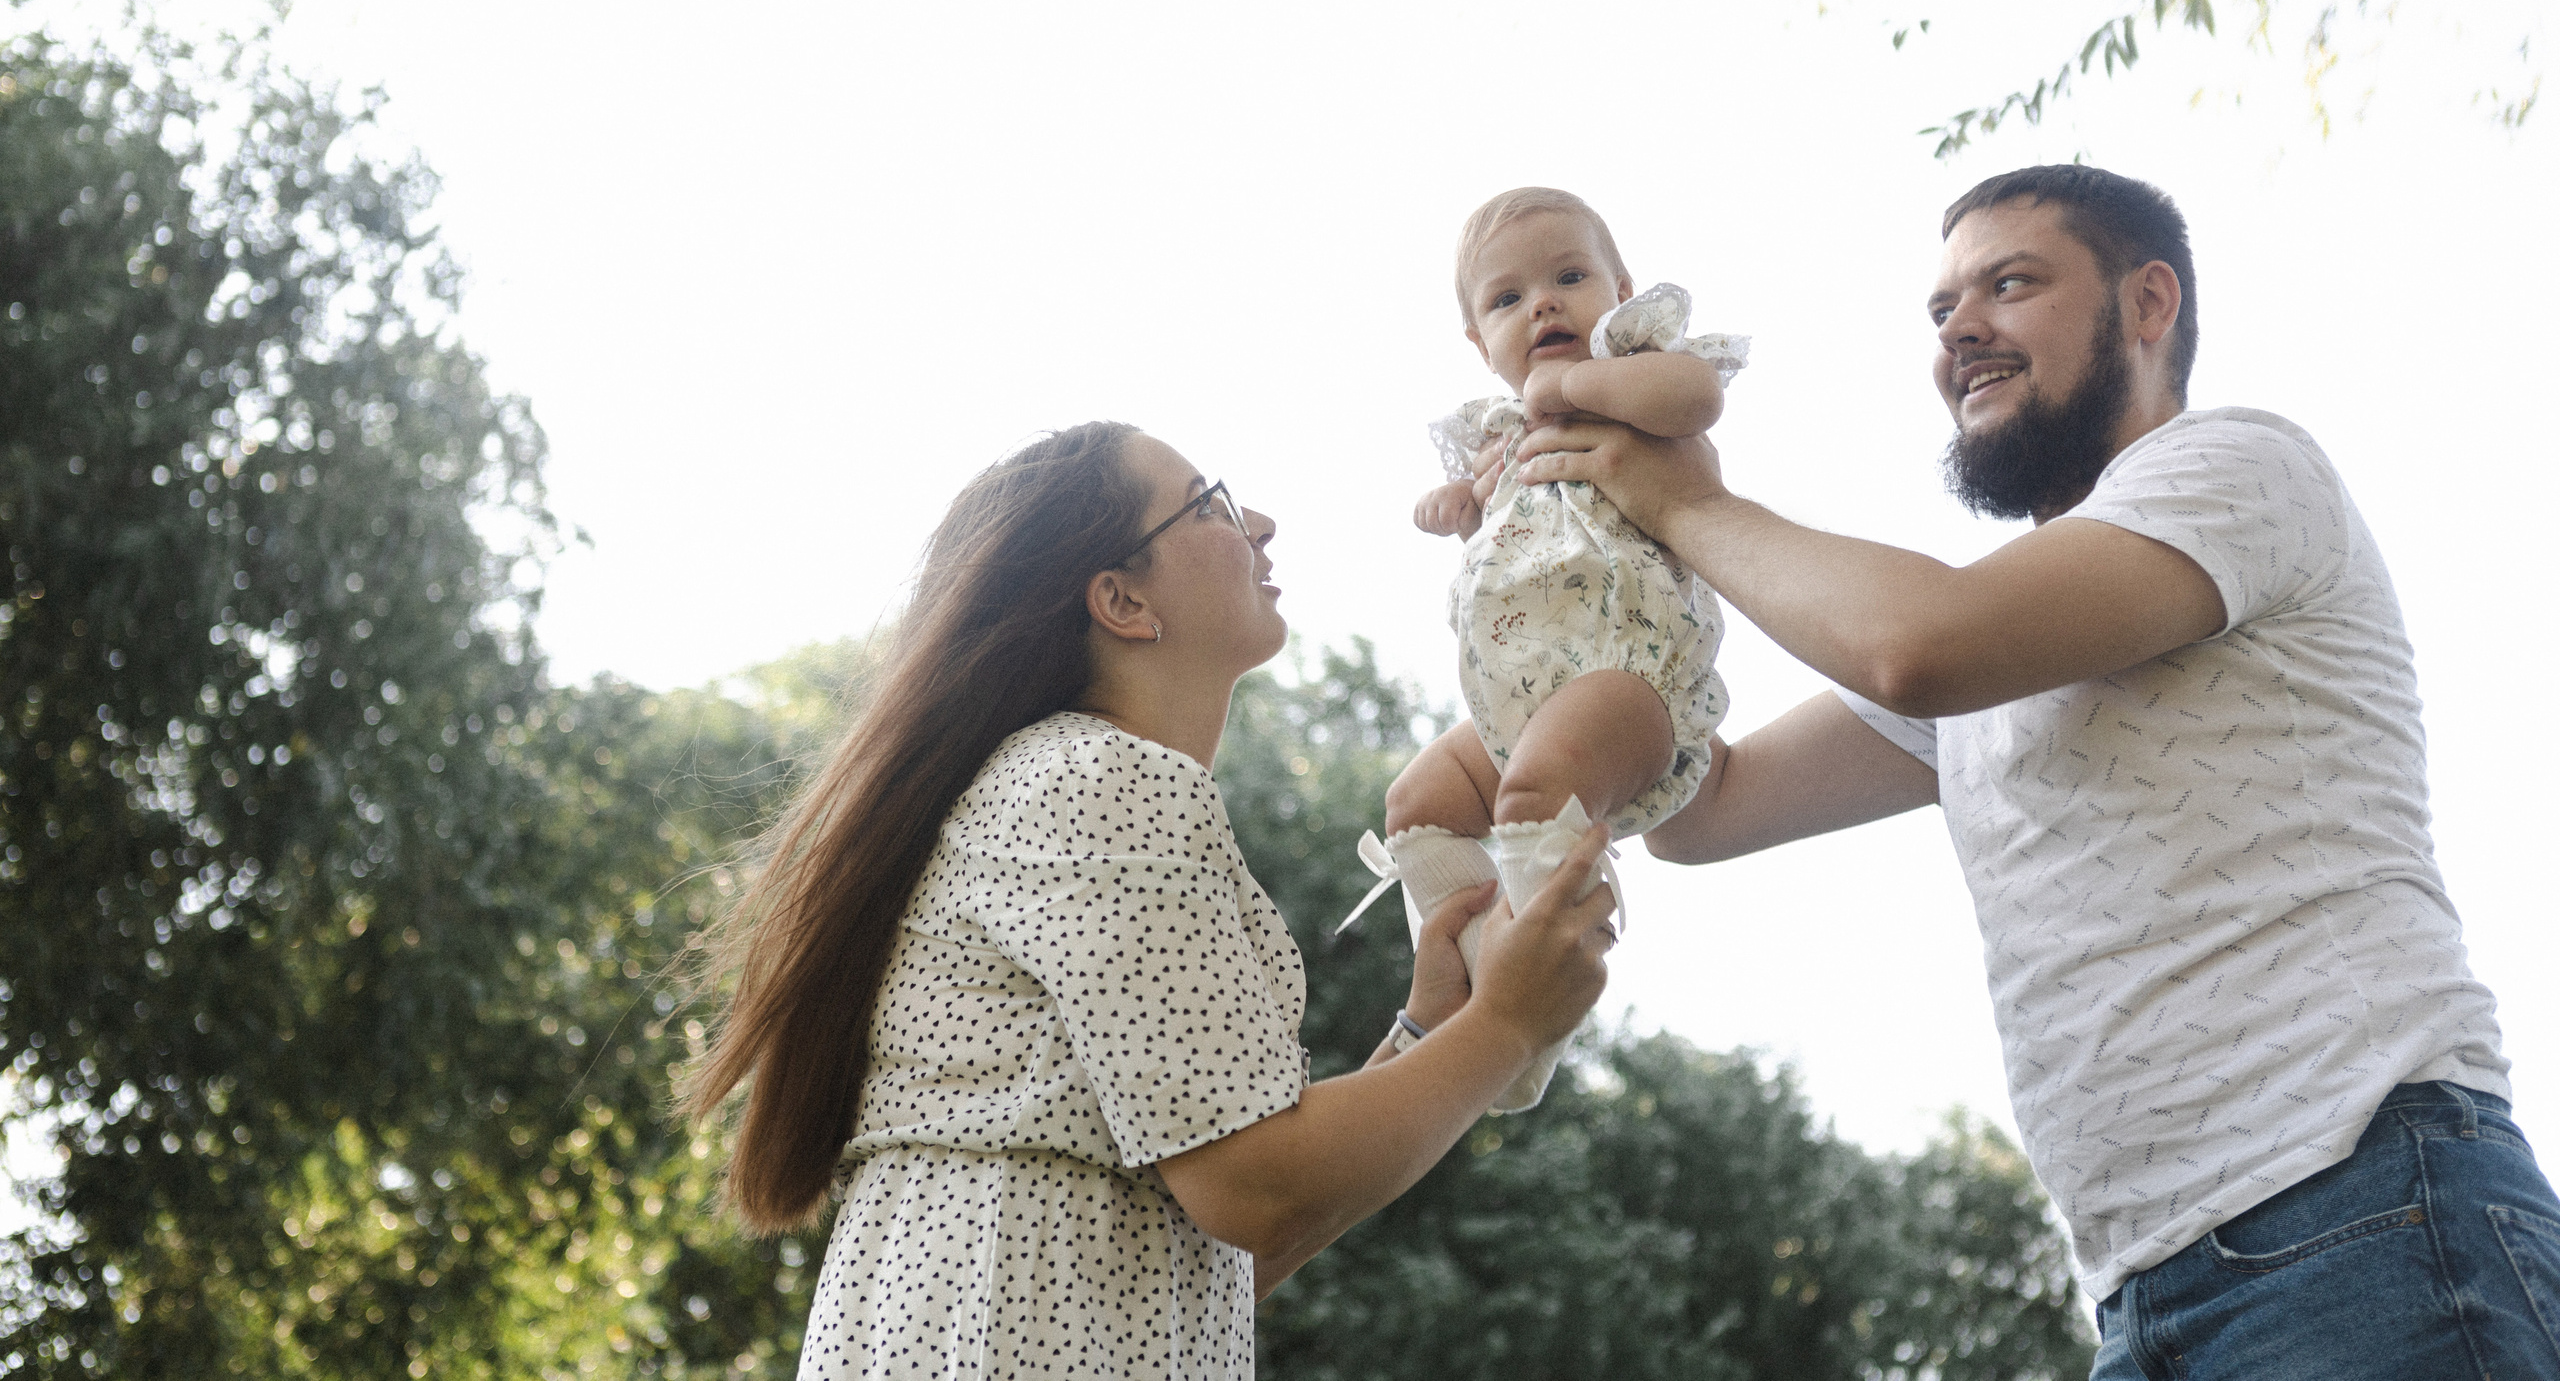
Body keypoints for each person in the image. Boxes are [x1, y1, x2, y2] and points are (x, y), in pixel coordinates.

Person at [1513, 164, 2560, 1379]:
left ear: (2147, 304)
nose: (1961, 328)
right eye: (1941, 307)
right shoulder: (1996, 643)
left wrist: (1672, 493)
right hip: (2145, 1295)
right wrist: (1579, 595)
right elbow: (1699, 807)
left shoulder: (2240, 467)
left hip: (2361, 1216)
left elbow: (1917, 643)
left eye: (2010, 284)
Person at [679, 420, 1619, 1379]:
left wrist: (1433, 1028)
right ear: (1122, 600)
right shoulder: (1100, 781)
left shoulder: (1074, 788)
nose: (1259, 522)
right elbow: (1256, 1190)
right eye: (1209, 503)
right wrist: (1506, 1021)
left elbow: (1215, 1250)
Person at [1345, 186, 1748, 1112]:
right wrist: (1453, 508)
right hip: (1513, 705)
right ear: (1478, 344)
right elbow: (1458, 513)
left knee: (1533, 791)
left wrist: (1567, 386)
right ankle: (1476, 970)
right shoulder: (1494, 436)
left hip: (1630, 685)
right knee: (1420, 802)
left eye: (1570, 278)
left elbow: (1698, 396)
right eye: (1507, 299)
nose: (1544, 306)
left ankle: (1531, 1020)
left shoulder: (1638, 378)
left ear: (1623, 291)